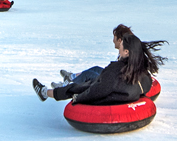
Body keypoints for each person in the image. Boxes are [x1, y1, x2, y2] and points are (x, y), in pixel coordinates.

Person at [32, 29, 165, 105]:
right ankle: (69, 79)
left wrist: (79, 98)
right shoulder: (141, 70)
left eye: (121, 45)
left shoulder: (115, 71)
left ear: (126, 52)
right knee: (93, 75)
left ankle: (45, 92)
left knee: (79, 87)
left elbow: (97, 91)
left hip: (110, 96)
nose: (119, 47)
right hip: (120, 90)